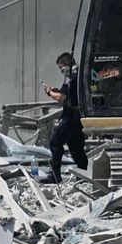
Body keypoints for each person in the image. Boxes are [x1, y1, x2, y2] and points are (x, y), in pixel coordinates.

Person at [43, 52, 89, 183]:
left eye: (61, 67)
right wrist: (56, 90)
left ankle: (54, 175)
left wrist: (49, 92)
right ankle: (83, 174)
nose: (61, 70)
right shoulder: (78, 75)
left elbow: (62, 98)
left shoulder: (71, 77)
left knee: (55, 142)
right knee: (76, 147)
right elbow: (66, 93)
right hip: (78, 117)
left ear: (67, 64)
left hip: (70, 117)